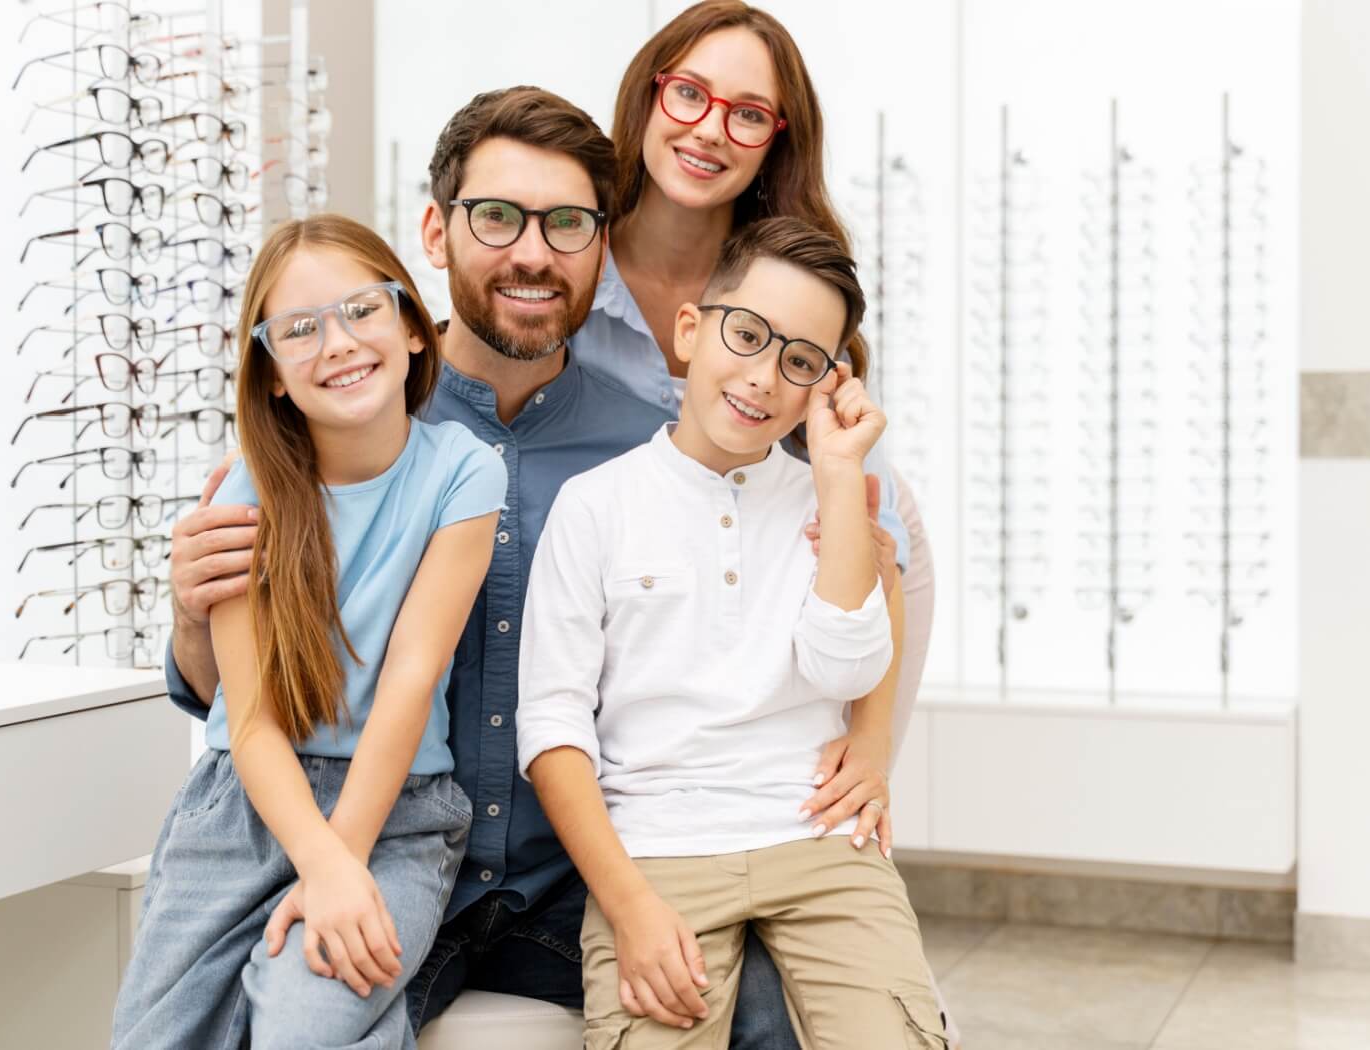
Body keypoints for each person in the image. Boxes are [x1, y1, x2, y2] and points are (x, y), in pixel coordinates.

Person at [160, 88, 810, 1043]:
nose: (534, 254)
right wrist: (189, 616)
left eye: (569, 224)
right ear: (436, 228)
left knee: (763, 1019)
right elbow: (237, 697)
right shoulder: (349, 424)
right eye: (498, 216)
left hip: (576, 888)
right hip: (390, 861)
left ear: (600, 246)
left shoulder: (661, 456)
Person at [520, 218, 946, 1049]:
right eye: (747, 335)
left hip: (822, 845)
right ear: (690, 330)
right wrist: (628, 906)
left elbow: (846, 664)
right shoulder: (595, 505)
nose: (762, 379)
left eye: (799, 363)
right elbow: (552, 729)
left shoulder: (830, 500)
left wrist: (835, 477)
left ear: (826, 386)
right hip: (658, 856)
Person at [110, 214, 507, 1050]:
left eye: (362, 311)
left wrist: (344, 861)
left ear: (409, 325)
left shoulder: (464, 471)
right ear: (275, 376)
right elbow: (249, 722)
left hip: (393, 812)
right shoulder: (247, 492)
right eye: (299, 330)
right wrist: (318, 861)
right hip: (244, 807)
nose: (338, 343)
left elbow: (409, 679)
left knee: (304, 1027)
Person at [575, 0, 939, 852]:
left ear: (777, 138)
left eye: (748, 115)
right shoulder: (571, 269)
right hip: (628, 649)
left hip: (770, 661)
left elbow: (886, 541)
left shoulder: (789, 281)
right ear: (648, 96)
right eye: (689, 95)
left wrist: (873, 739)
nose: (710, 131)